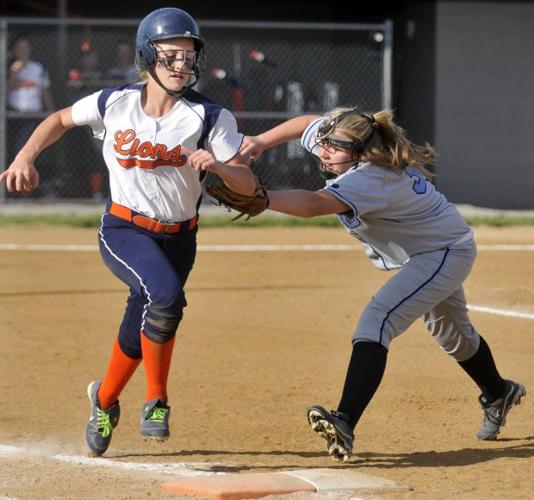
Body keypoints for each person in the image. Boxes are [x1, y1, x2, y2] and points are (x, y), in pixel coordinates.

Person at [0, 7, 256, 457]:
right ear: (147, 57)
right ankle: (156, 400)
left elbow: (249, 184)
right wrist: (25, 157)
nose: (182, 64)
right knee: (166, 298)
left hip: (180, 237)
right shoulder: (112, 103)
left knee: (144, 321)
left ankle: (103, 400)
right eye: (170, 55)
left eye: (188, 55)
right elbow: (58, 119)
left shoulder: (209, 118)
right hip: (123, 228)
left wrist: (218, 166)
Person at [239, 107, 526, 462]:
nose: (324, 151)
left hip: (442, 251)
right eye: (324, 143)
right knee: (452, 334)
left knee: (378, 320)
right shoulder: (348, 145)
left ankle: (344, 420)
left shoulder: (371, 177)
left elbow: (314, 203)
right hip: (436, 245)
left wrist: (262, 197)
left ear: (361, 153)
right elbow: (304, 125)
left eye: (335, 147)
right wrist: (260, 141)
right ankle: (499, 392)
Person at [7, 35, 55, 155]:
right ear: (14, 51)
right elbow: (5, 91)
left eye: (25, 47)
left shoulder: (38, 68)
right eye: (19, 48)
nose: (23, 51)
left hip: (32, 116)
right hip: (12, 115)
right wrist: (14, 74)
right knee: (10, 148)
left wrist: (52, 112)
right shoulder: (8, 68)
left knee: (23, 147)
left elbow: (45, 91)